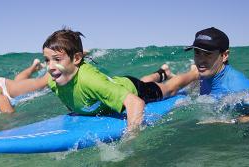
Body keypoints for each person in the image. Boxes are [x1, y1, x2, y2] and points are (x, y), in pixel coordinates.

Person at [42, 28, 195, 137]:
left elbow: (136, 104)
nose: (50, 67)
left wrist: (131, 138)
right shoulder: (54, 81)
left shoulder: (90, 81)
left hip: (135, 90)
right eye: (47, 60)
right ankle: (163, 73)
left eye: (57, 59)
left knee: (170, 88)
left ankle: (193, 73)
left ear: (76, 59)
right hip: (119, 84)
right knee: (143, 82)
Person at [148, 27, 249, 123]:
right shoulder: (207, 72)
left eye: (207, 54)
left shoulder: (236, 87)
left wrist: (232, 120)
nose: (201, 60)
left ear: (224, 55)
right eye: (197, 53)